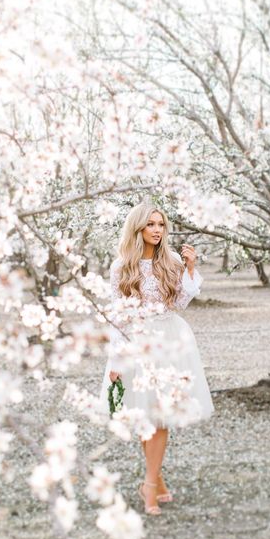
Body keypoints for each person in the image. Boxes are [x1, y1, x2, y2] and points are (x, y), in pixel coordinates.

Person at [99, 201, 214, 515]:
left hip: (171, 342)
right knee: (145, 416)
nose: (157, 230)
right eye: (150, 224)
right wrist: (116, 359)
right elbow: (117, 316)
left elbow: (179, 303)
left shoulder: (171, 260)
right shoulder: (122, 267)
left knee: (161, 417)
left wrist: (190, 269)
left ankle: (149, 488)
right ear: (138, 228)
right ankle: (156, 479)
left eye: (161, 225)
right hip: (137, 343)